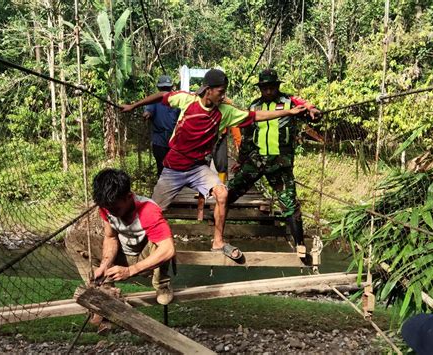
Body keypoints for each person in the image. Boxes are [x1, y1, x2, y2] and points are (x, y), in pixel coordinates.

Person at [121, 68, 308, 260]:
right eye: (221, 91)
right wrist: (133, 106)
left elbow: (256, 116)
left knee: (222, 192)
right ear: (208, 90)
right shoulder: (187, 100)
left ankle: (218, 242)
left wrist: (290, 111)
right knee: (155, 210)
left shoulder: (225, 112)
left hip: (198, 168)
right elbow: (162, 95)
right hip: (173, 168)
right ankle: (133, 243)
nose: (224, 95)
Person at [227, 69, 321, 259]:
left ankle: (300, 244)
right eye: (264, 87)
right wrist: (241, 161)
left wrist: (313, 111)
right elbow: (246, 137)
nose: (268, 90)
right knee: (230, 192)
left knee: (289, 201)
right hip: (255, 160)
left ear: (277, 86)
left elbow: (309, 109)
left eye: (271, 87)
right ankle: (217, 231)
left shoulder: (289, 102)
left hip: (280, 163)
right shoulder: (254, 106)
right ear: (260, 88)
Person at [65, 168, 175, 305]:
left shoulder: (148, 210)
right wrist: (105, 264)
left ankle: (162, 286)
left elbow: (168, 249)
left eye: (116, 208)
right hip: (123, 254)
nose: (111, 212)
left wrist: (131, 270)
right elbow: (110, 238)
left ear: (128, 197)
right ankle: (104, 287)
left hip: (144, 256)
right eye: (108, 208)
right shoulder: (107, 207)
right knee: (73, 240)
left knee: (161, 241)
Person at [143, 75, 180, 177]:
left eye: (167, 89)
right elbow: (148, 111)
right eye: (163, 89)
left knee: (174, 168)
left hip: (174, 141)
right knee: (162, 167)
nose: (165, 91)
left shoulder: (176, 100)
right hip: (159, 141)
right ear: (159, 89)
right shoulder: (154, 101)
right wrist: (147, 114)